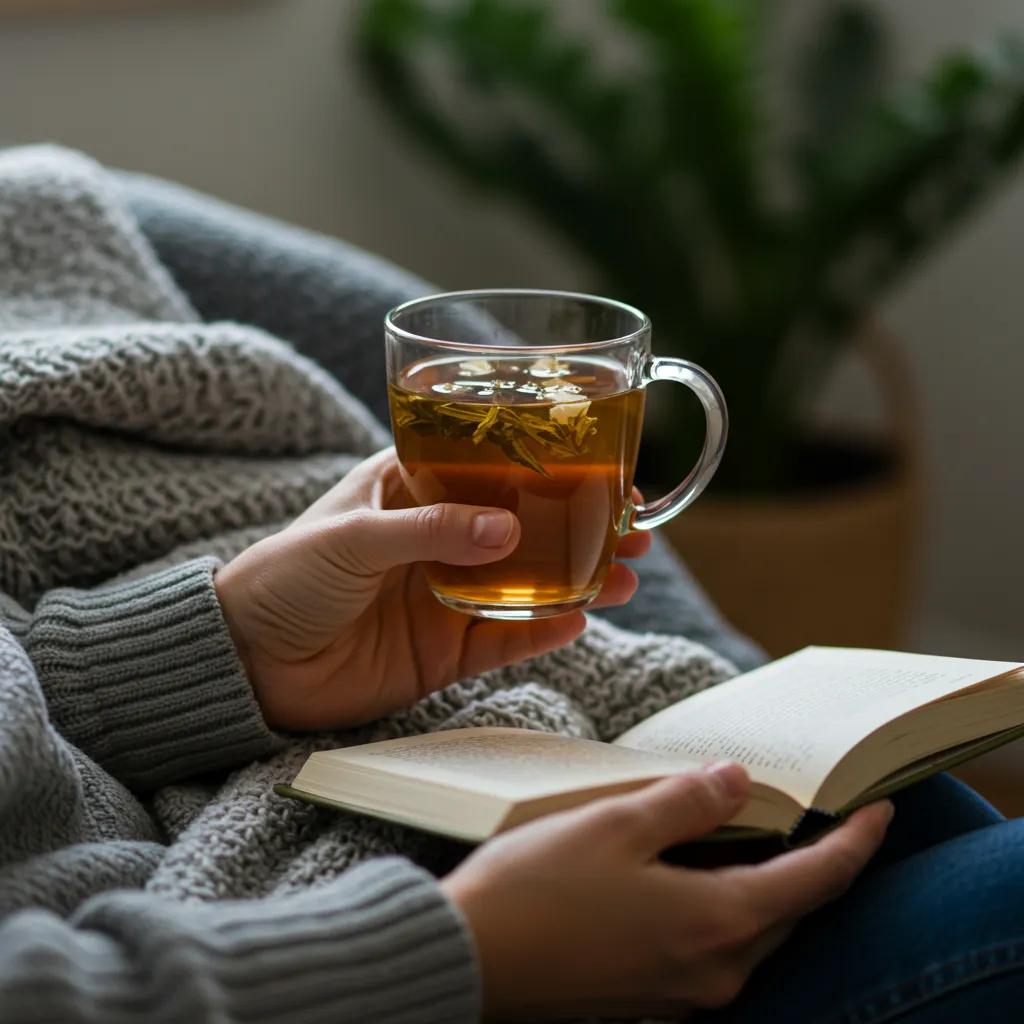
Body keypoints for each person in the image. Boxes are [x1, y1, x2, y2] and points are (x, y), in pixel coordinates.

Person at [1, 144, 1022, 1023]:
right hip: (364, 958)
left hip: (354, 874)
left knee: (908, 807)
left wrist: (220, 655)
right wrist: (461, 959)